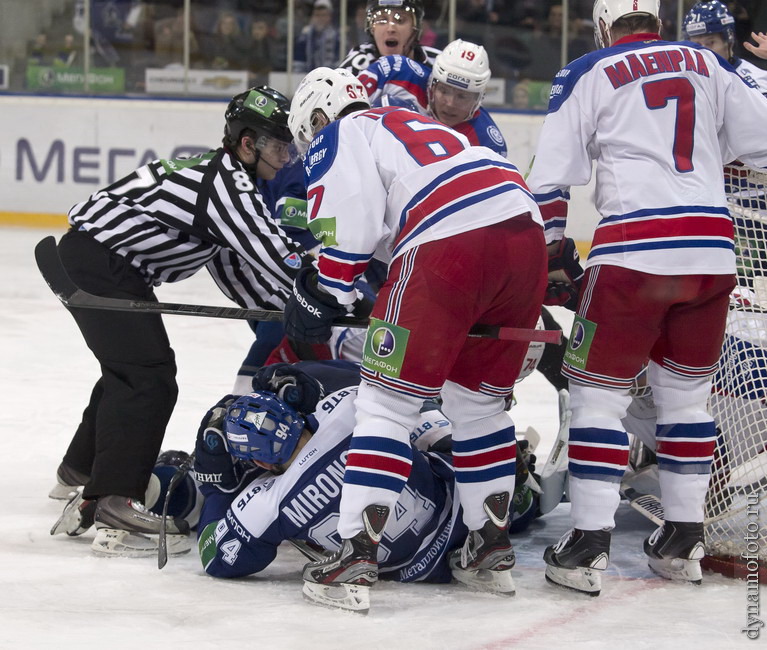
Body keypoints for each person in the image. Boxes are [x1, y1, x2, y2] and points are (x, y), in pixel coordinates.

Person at [282, 67, 547, 612]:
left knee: (385, 405)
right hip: (524, 232)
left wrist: (320, 290)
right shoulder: (426, 126)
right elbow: (388, 232)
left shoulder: (341, 131)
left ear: (315, 116)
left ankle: (355, 553)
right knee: (480, 407)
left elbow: (349, 237)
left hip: (448, 242)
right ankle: (488, 547)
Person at [525, 0, 767, 595]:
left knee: (597, 400)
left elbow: (550, 178)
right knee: (687, 398)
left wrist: (555, 253)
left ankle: (586, 544)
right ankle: (684, 540)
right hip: (712, 253)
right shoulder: (710, 64)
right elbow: (760, 143)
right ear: (660, 21)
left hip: (634, 251)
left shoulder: (586, 69)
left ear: (605, 25)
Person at [47, 86, 314, 557]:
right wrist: (329, 295)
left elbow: (238, 272)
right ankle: (112, 498)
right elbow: (273, 254)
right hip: (101, 265)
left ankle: (80, 468)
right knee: (149, 377)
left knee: (129, 369)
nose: (285, 155)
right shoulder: (226, 183)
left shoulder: (224, 181)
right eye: (277, 144)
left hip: (101, 263)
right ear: (247, 143)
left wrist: (282, 310)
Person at [194, 385, 542, 614]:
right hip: (461, 514)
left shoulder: (264, 505)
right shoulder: (346, 406)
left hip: (421, 568)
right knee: (430, 430)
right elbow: (427, 416)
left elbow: (217, 558)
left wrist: (216, 486)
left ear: (259, 462)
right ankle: (518, 493)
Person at [358, 39, 508, 156]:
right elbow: (345, 112)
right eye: (444, 91)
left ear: (478, 100)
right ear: (431, 84)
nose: (450, 103)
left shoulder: (488, 145)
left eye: (462, 96)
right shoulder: (394, 71)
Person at [338, 0, 441, 76]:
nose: (390, 28)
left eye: (400, 20)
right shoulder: (356, 65)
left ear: (415, 28)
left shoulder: (437, 65)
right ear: (372, 28)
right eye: (382, 20)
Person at [683, 1, 767, 93]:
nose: (703, 51)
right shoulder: (684, 78)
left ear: (729, 41)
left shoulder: (757, 80)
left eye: (710, 42)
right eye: (697, 45)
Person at [294, 0, 341, 73]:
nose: (320, 19)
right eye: (317, 15)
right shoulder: (305, 36)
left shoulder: (337, 37)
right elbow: (299, 62)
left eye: (324, 15)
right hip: (308, 78)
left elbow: (339, 62)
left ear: (330, 17)